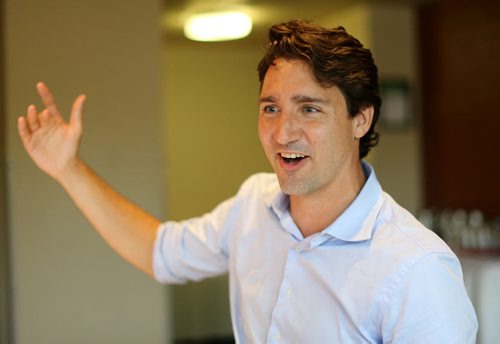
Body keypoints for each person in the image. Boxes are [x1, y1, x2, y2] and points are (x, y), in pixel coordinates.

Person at [18, 20, 477, 343]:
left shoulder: (418, 270)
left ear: (361, 119)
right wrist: (68, 169)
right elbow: (159, 251)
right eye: (270, 108)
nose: (283, 132)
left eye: (310, 108)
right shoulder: (253, 204)